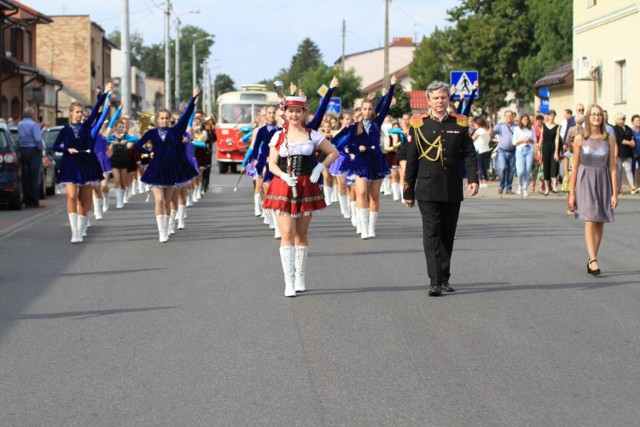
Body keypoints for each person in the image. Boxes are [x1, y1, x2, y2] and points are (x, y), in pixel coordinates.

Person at [403, 81, 479, 297]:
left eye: (443, 97)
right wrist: (408, 191)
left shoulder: (460, 123)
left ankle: (444, 277)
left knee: (447, 233)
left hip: (452, 185)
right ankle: (435, 281)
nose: (440, 101)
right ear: (428, 100)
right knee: (432, 232)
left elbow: (469, 154)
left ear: (449, 99)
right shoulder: (418, 124)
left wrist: (473, 178)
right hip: (427, 187)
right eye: (435, 98)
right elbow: (412, 159)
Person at [262, 96, 338, 297]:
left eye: (298, 111)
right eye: (290, 111)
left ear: (304, 113)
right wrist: (284, 176)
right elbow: (272, 163)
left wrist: (320, 167)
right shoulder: (278, 136)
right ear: (284, 113)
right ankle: (289, 281)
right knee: (287, 233)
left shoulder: (312, 135)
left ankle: (300, 277)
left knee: (301, 234)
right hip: (283, 186)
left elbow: (333, 153)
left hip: (306, 185)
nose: (294, 114)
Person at [134, 87, 200, 242]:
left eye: (166, 118)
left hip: (171, 169)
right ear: (157, 120)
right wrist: (148, 152)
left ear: (170, 120)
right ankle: (161, 231)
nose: (164, 120)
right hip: (156, 169)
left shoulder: (175, 131)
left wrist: (193, 99)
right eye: (161, 118)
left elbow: (186, 116)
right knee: (159, 201)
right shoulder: (151, 133)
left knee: (169, 201)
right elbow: (137, 145)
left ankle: (169, 224)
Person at [334, 75, 397, 239]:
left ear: (373, 110)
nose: (368, 111)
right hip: (361, 162)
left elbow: (386, 105)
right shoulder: (354, 126)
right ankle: (362, 225)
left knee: (374, 195)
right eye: (365, 109)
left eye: (370, 109)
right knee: (361, 192)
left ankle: (371, 227)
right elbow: (338, 141)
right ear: (360, 111)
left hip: (376, 161)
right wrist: (353, 149)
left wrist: (392, 86)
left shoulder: (377, 122)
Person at [53, 84, 112, 242]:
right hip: (70, 163)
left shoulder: (86, 126)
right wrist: (67, 150)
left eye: (81, 112)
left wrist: (104, 95)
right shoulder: (65, 129)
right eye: (77, 112)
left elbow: (95, 112)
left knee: (83, 199)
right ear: (71, 113)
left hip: (86, 163)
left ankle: (81, 228)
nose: (80, 115)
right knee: (72, 196)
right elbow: (55, 146)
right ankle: (75, 231)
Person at [568, 104, 618, 276]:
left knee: (599, 220)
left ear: (603, 117)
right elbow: (574, 166)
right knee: (590, 219)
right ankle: (594, 259)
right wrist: (571, 192)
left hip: (603, 179)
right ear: (588, 117)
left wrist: (615, 192)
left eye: (599, 114)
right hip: (585, 180)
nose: (596, 117)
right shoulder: (580, 139)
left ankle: (591, 259)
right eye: (593, 114)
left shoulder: (609, 139)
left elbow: (612, 166)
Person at [17, 107, 45, 208]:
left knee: (25, 176)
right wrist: (40, 148)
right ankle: (34, 201)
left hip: (23, 150)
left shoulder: (19, 124)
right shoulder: (33, 125)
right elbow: (38, 139)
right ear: (32, 115)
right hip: (33, 150)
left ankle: (26, 199)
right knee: (34, 176)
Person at [612, 113, 638, 195]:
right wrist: (629, 143)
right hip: (619, 152)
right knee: (619, 171)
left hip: (628, 152)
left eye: (623, 118)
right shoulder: (615, 128)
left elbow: (631, 136)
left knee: (629, 170)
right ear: (617, 119)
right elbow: (619, 139)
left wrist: (632, 141)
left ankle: (632, 186)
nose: (622, 120)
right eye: (621, 119)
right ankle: (619, 188)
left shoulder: (627, 128)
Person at [492, 110, 517, 194]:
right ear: (504, 117)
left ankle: (508, 188)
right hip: (502, 151)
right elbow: (492, 133)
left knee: (511, 170)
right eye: (507, 116)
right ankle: (501, 186)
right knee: (502, 168)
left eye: (511, 116)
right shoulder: (500, 126)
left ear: (513, 117)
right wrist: (490, 128)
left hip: (513, 151)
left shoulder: (516, 127)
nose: (509, 117)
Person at [512, 114, 537, 197]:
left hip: (529, 150)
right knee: (520, 171)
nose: (525, 121)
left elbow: (535, 140)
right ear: (521, 120)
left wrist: (530, 140)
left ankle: (525, 188)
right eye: (524, 119)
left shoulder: (532, 128)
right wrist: (523, 140)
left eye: (527, 119)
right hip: (520, 150)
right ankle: (520, 185)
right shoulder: (517, 129)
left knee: (528, 170)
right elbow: (514, 142)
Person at [540, 110, 561, 195]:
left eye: (553, 116)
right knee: (546, 166)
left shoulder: (557, 126)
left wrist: (556, 151)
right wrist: (539, 149)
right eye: (550, 116)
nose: (552, 117)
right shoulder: (543, 126)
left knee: (555, 165)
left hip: (553, 146)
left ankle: (554, 186)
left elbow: (557, 139)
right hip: (545, 147)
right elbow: (541, 137)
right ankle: (547, 188)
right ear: (548, 116)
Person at [472, 116, 491, 187]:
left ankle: (480, 181)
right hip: (485, 149)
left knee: (479, 166)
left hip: (479, 150)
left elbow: (472, 139)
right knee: (484, 166)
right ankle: (485, 180)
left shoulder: (479, 131)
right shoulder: (485, 130)